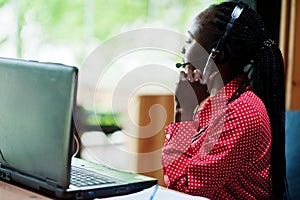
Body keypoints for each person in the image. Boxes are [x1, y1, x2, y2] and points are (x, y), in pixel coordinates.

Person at [161, 1, 288, 200]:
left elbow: (184, 189)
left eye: (190, 39)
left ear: (216, 53)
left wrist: (183, 112)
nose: (183, 49)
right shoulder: (218, 104)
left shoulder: (242, 112)